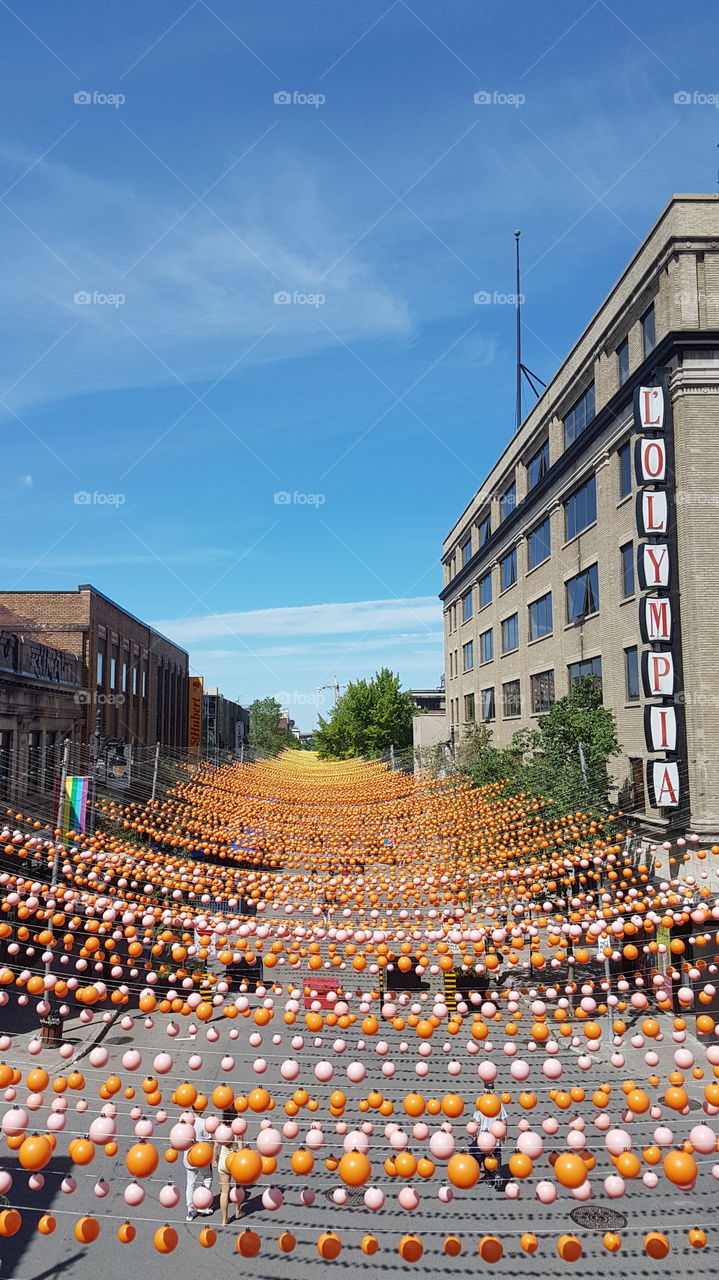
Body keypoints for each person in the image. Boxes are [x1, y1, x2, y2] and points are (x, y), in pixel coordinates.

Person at [184, 1112, 215, 1222]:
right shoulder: (204, 1123)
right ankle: (203, 1203)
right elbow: (210, 1141)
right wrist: (213, 1158)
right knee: (207, 1177)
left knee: (190, 1183)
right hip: (202, 1156)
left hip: (188, 1156)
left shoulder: (186, 1121)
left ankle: (190, 1211)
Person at [469, 1101, 508, 1188]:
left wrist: (473, 1133)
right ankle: (498, 1175)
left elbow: (477, 1122)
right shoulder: (498, 1104)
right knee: (497, 1155)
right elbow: (504, 1121)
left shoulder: (480, 1104)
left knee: (486, 1156)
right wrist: (505, 1133)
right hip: (496, 1135)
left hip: (484, 1138)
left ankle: (489, 1178)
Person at [217, 1110, 240, 1226]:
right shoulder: (238, 1129)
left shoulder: (221, 1128)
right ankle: (237, 1211)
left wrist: (214, 1160)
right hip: (235, 1163)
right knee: (238, 1188)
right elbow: (240, 1148)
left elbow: (216, 1144)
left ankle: (224, 1219)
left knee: (224, 1192)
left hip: (223, 1163)